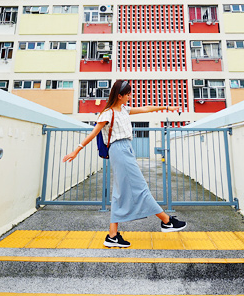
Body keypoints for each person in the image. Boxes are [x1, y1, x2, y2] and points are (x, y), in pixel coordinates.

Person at [62, 80, 186, 248]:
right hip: (118, 150)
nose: (130, 96)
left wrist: (166, 108)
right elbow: (93, 133)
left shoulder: (124, 109)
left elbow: (145, 109)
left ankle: (112, 236)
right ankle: (166, 221)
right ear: (119, 96)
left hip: (126, 149)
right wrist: (77, 150)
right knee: (140, 186)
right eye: (127, 94)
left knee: (120, 193)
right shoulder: (108, 113)